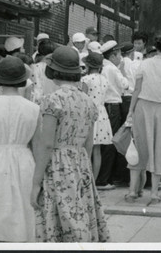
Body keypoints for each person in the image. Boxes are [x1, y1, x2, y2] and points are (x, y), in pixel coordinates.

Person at [30, 46, 109, 242]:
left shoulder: (51, 100)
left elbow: (47, 144)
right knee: (78, 213)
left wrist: (35, 183)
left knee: (57, 215)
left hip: (57, 164)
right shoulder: (88, 102)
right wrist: (86, 169)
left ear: (54, 71)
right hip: (80, 162)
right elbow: (88, 144)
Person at [0, 56, 40, 242]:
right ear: (22, 79)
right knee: (21, 213)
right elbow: (36, 145)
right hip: (24, 162)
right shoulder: (34, 109)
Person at [126, 33, 161, 204]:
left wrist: (130, 111)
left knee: (138, 148)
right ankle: (155, 192)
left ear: (156, 47)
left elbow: (136, 89)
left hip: (142, 107)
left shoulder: (145, 63)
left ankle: (132, 191)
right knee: (160, 149)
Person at [97, 40, 129, 189]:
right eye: (119, 55)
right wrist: (122, 71)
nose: (121, 58)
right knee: (111, 141)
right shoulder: (113, 69)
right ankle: (106, 178)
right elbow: (125, 85)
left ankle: (104, 176)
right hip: (113, 106)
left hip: (105, 105)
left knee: (105, 142)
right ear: (112, 56)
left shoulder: (103, 67)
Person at [82, 52, 113, 181]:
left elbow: (82, 98)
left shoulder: (85, 80)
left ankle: (85, 179)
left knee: (86, 150)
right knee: (97, 150)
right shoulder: (104, 79)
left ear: (88, 65)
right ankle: (93, 181)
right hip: (102, 114)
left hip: (88, 113)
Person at [30, 40, 58, 104]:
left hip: (40, 103)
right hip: (54, 103)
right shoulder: (56, 68)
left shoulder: (34, 67)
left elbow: (36, 90)